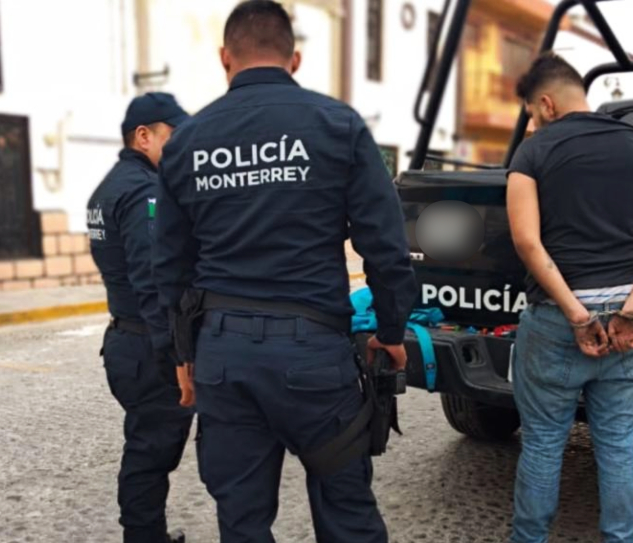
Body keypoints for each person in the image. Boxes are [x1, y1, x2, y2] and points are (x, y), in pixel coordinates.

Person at [151, 1, 417, 541]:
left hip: (224, 359)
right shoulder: (337, 126)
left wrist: (181, 355)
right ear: (293, 59)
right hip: (313, 357)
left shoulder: (185, 144)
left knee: (242, 522)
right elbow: (386, 247)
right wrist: (390, 331)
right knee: (347, 514)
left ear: (224, 58)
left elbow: (169, 268)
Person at [505, 53, 633, 543]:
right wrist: (632, 308)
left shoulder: (534, 153)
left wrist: (577, 314)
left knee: (542, 444)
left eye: (530, 112)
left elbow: (526, 241)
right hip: (628, 327)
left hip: (557, 323)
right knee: (619, 446)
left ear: (544, 104)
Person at [87, 92, 194, 543]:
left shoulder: (108, 187)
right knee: (150, 454)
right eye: (175, 137)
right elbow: (152, 281)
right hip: (148, 348)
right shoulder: (144, 191)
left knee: (147, 447)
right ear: (143, 136)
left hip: (125, 340)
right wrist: (176, 356)